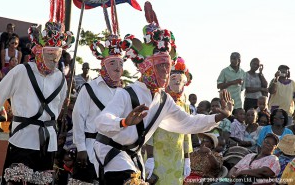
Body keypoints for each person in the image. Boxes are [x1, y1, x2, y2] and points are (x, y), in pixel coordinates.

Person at [94, 20, 233, 184]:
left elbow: (187, 122)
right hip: (111, 153)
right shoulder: (126, 93)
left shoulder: (163, 99)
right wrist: (124, 122)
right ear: (147, 66)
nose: (165, 73)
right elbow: (101, 121)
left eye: (167, 67)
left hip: (132, 156)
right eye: (161, 67)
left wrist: (220, 116)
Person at [0, 21, 74, 185]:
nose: (53, 59)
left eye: (57, 54)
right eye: (49, 54)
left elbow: (57, 109)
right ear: (38, 52)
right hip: (22, 140)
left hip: (48, 145)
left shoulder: (60, 77)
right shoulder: (21, 71)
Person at [71, 35, 125, 184]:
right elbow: (78, 116)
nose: (117, 67)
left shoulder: (124, 92)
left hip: (115, 152)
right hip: (90, 148)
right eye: (113, 63)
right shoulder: (89, 88)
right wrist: (81, 147)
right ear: (103, 65)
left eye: (120, 64)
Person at [145, 57, 193, 185]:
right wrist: (149, 158)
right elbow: (150, 129)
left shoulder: (184, 103)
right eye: (174, 79)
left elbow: (187, 132)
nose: (177, 83)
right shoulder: (158, 99)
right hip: (157, 155)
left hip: (178, 157)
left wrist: (187, 158)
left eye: (180, 80)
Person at [212, 133, 281, 185]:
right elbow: (235, 167)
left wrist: (242, 172)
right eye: (266, 142)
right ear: (262, 142)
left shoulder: (273, 158)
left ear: (275, 148)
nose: (267, 145)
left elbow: (264, 171)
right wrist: (231, 177)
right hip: (235, 179)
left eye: (271, 144)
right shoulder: (250, 155)